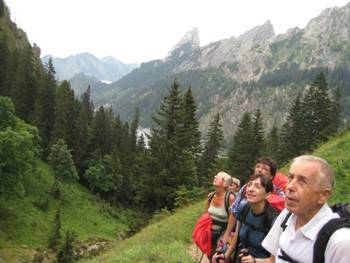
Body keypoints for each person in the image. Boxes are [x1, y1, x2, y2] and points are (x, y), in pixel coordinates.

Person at [262, 155, 350, 262]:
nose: (289, 187)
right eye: (290, 177)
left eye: (302, 181)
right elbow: (272, 260)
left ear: (323, 195)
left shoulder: (340, 241)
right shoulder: (287, 215)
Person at [212, 173, 278, 263]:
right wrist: (225, 255)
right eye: (249, 185)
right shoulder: (244, 208)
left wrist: (255, 261)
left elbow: (275, 260)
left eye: (257, 186)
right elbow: (237, 236)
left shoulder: (273, 220)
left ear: (267, 194)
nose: (250, 189)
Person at [222, 158, 285, 244]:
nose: (259, 170)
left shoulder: (279, 193)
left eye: (265, 168)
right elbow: (234, 211)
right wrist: (227, 234)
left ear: (271, 176)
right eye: (258, 166)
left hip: (263, 239)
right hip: (240, 233)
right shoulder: (246, 188)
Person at [205, 171, 236, 259]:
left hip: (223, 231)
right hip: (210, 231)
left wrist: (226, 235)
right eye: (216, 176)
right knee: (210, 255)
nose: (215, 177)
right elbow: (206, 215)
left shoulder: (230, 198)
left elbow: (232, 219)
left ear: (225, 184)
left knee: (219, 257)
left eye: (220, 177)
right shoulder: (210, 196)